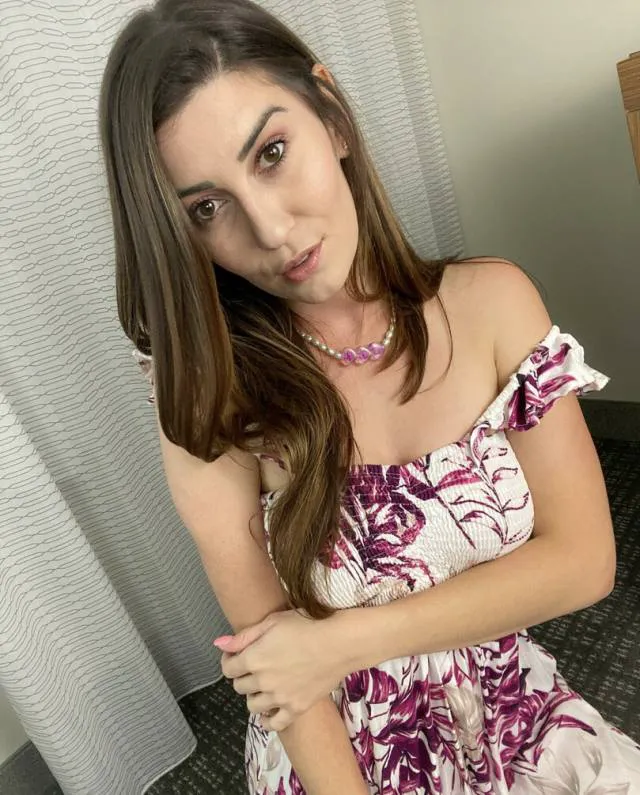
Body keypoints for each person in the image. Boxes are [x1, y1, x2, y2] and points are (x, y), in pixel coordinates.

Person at [99, 0, 640, 792]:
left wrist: (341, 640)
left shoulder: (495, 304)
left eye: (272, 152)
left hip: (509, 708)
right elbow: (285, 682)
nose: (272, 229)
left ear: (333, 117)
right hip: (340, 749)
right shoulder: (212, 394)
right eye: (208, 208)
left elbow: (585, 560)